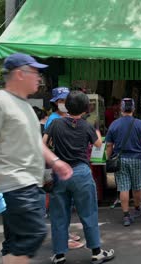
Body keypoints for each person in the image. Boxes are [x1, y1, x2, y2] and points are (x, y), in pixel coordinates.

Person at [0, 53, 73, 264]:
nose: (39, 78)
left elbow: (36, 143)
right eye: (35, 72)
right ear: (20, 74)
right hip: (16, 184)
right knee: (33, 233)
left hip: (27, 183)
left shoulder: (26, 107)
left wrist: (55, 162)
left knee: (16, 240)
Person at [43, 91, 115, 263]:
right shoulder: (86, 126)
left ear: (66, 106)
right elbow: (99, 145)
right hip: (81, 173)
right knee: (88, 213)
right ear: (85, 108)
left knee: (59, 215)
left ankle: (59, 255)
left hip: (60, 172)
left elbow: (43, 143)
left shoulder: (55, 124)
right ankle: (96, 253)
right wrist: (96, 129)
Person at [105, 98, 141, 226]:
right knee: (137, 185)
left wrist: (109, 159)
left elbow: (109, 146)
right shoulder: (140, 124)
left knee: (123, 187)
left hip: (120, 159)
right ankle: (137, 208)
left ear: (121, 109)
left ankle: (125, 215)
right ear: (133, 109)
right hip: (136, 158)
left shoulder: (114, 124)